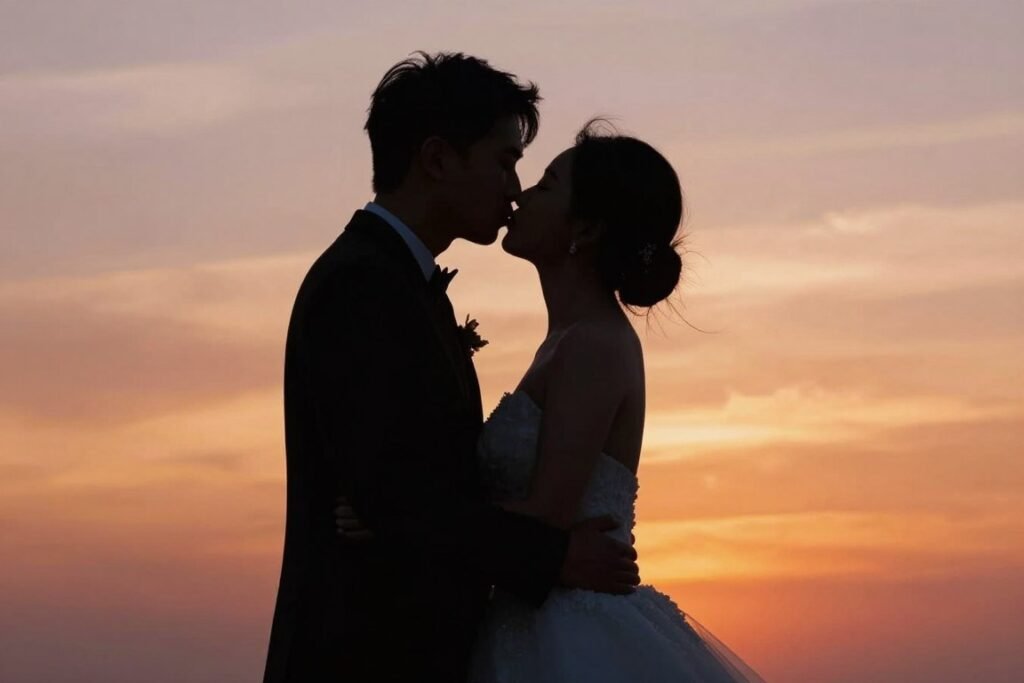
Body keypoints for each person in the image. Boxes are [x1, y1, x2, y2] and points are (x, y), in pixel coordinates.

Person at [340, 121, 767, 681]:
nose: (519, 193)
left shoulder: (593, 345)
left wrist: (397, 519)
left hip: (568, 633)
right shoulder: (564, 341)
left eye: (544, 185)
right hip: (524, 614)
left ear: (584, 229)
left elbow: (548, 515)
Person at [262, 53, 640, 683]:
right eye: (504, 161)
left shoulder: (402, 285)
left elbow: (409, 492)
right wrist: (551, 557)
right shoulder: (362, 285)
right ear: (437, 159)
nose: (514, 189)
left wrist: (399, 507)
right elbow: (391, 491)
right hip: (361, 657)